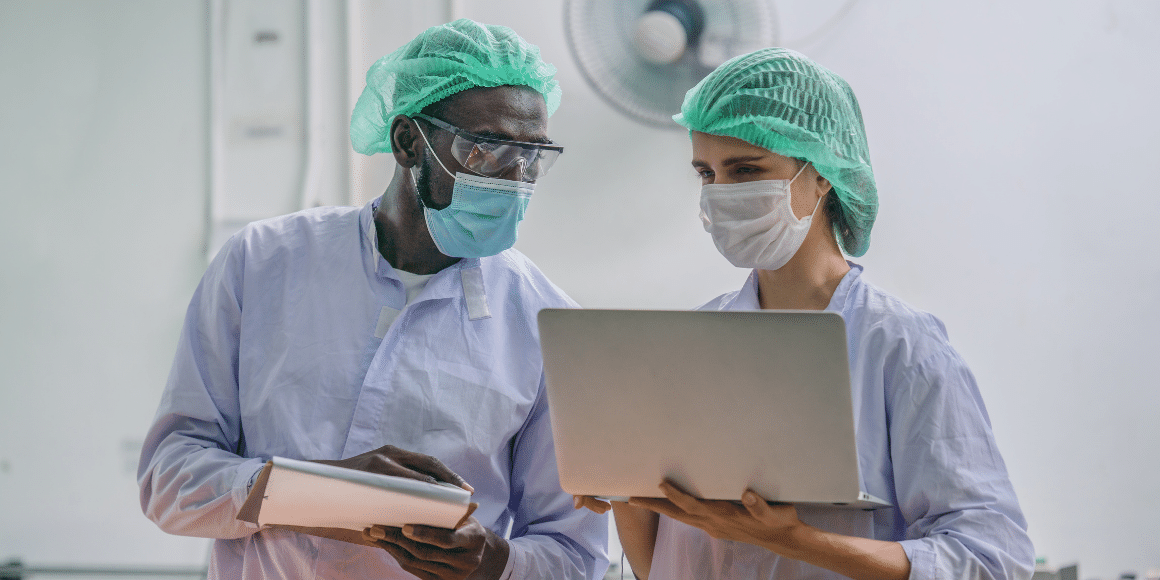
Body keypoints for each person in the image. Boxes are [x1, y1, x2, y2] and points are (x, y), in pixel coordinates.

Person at [138, 19, 608, 580]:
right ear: (408, 141)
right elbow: (170, 481)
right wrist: (315, 492)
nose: (515, 177)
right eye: (485, 150)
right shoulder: (265, 263)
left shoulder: (544, 324)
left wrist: (495, 561)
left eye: (533, 155)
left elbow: (577, 555)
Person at [577, 47, 1035, 580]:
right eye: (706, 172)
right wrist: (625, 483)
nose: (721, 193)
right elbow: (661, 566)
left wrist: (794, 540)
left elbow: (989, 560)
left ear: (822, 174)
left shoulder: (900, 348)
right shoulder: (686, 345)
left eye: (747, 170)